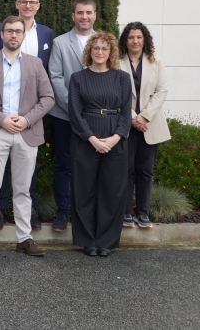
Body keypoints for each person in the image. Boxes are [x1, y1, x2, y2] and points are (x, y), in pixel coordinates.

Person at [0, 17, 55, 258]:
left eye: (18, 31)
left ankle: (24, 238)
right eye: (10, 31)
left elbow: (48, 98)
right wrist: (1, 119)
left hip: (26, 132)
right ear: (2, 35)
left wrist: (26, 119)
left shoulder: (35, 64)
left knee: (23, 189)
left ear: (24, 36)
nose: (14, 35)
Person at [0, 0, 54, 231]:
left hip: (32, 111)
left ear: (38, 6)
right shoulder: (1, 29)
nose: (28, 5)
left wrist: (33, 113)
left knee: (28, 164)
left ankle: (28, 212)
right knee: (0, 164)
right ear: (17, 5)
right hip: (3, 108)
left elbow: (45, 71)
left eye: (32, 2)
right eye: (23, 2)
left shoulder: (46, 33)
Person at [68, 31, 132, 257]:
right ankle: (88, 240)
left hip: (115, 139)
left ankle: (106, 241)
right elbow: (75, 114)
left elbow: (126, 113)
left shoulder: (122, 78)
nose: (100, 52)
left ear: (111, 52)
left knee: (112, 192)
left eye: (105, 48)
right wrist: (92, 139)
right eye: (96, 48)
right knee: (83, 191)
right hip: (86, 140)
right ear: (89, 51)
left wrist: (115, 138)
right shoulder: (78, 78)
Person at [48, 0, 97, 232]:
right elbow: (55, 77)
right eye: (80, 12)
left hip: (97, 117)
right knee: (64, 164)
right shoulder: (59, 43)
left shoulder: (103, 41)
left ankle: (87, 212)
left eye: (88, 12)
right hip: (65, 115)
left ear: (95, 15)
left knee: (91, 165)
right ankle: (63, 211)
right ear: (73, 16)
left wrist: (92, 111)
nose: (84, 16)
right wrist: (75, 109)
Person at [118, 22, 170, 229]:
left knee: (145, 170)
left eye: (139, 37)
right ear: (125, 40)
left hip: (150, 124)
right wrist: (133, 117)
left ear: (145, 39)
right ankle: (126, 213)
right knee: (127, 170)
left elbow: (162, 91)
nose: (135, 41)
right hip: (126, 123)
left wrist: (144, 116)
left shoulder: (156, 61)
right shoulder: (117, 61)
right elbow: (117, 92)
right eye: (131, 37)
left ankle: (143, 213)